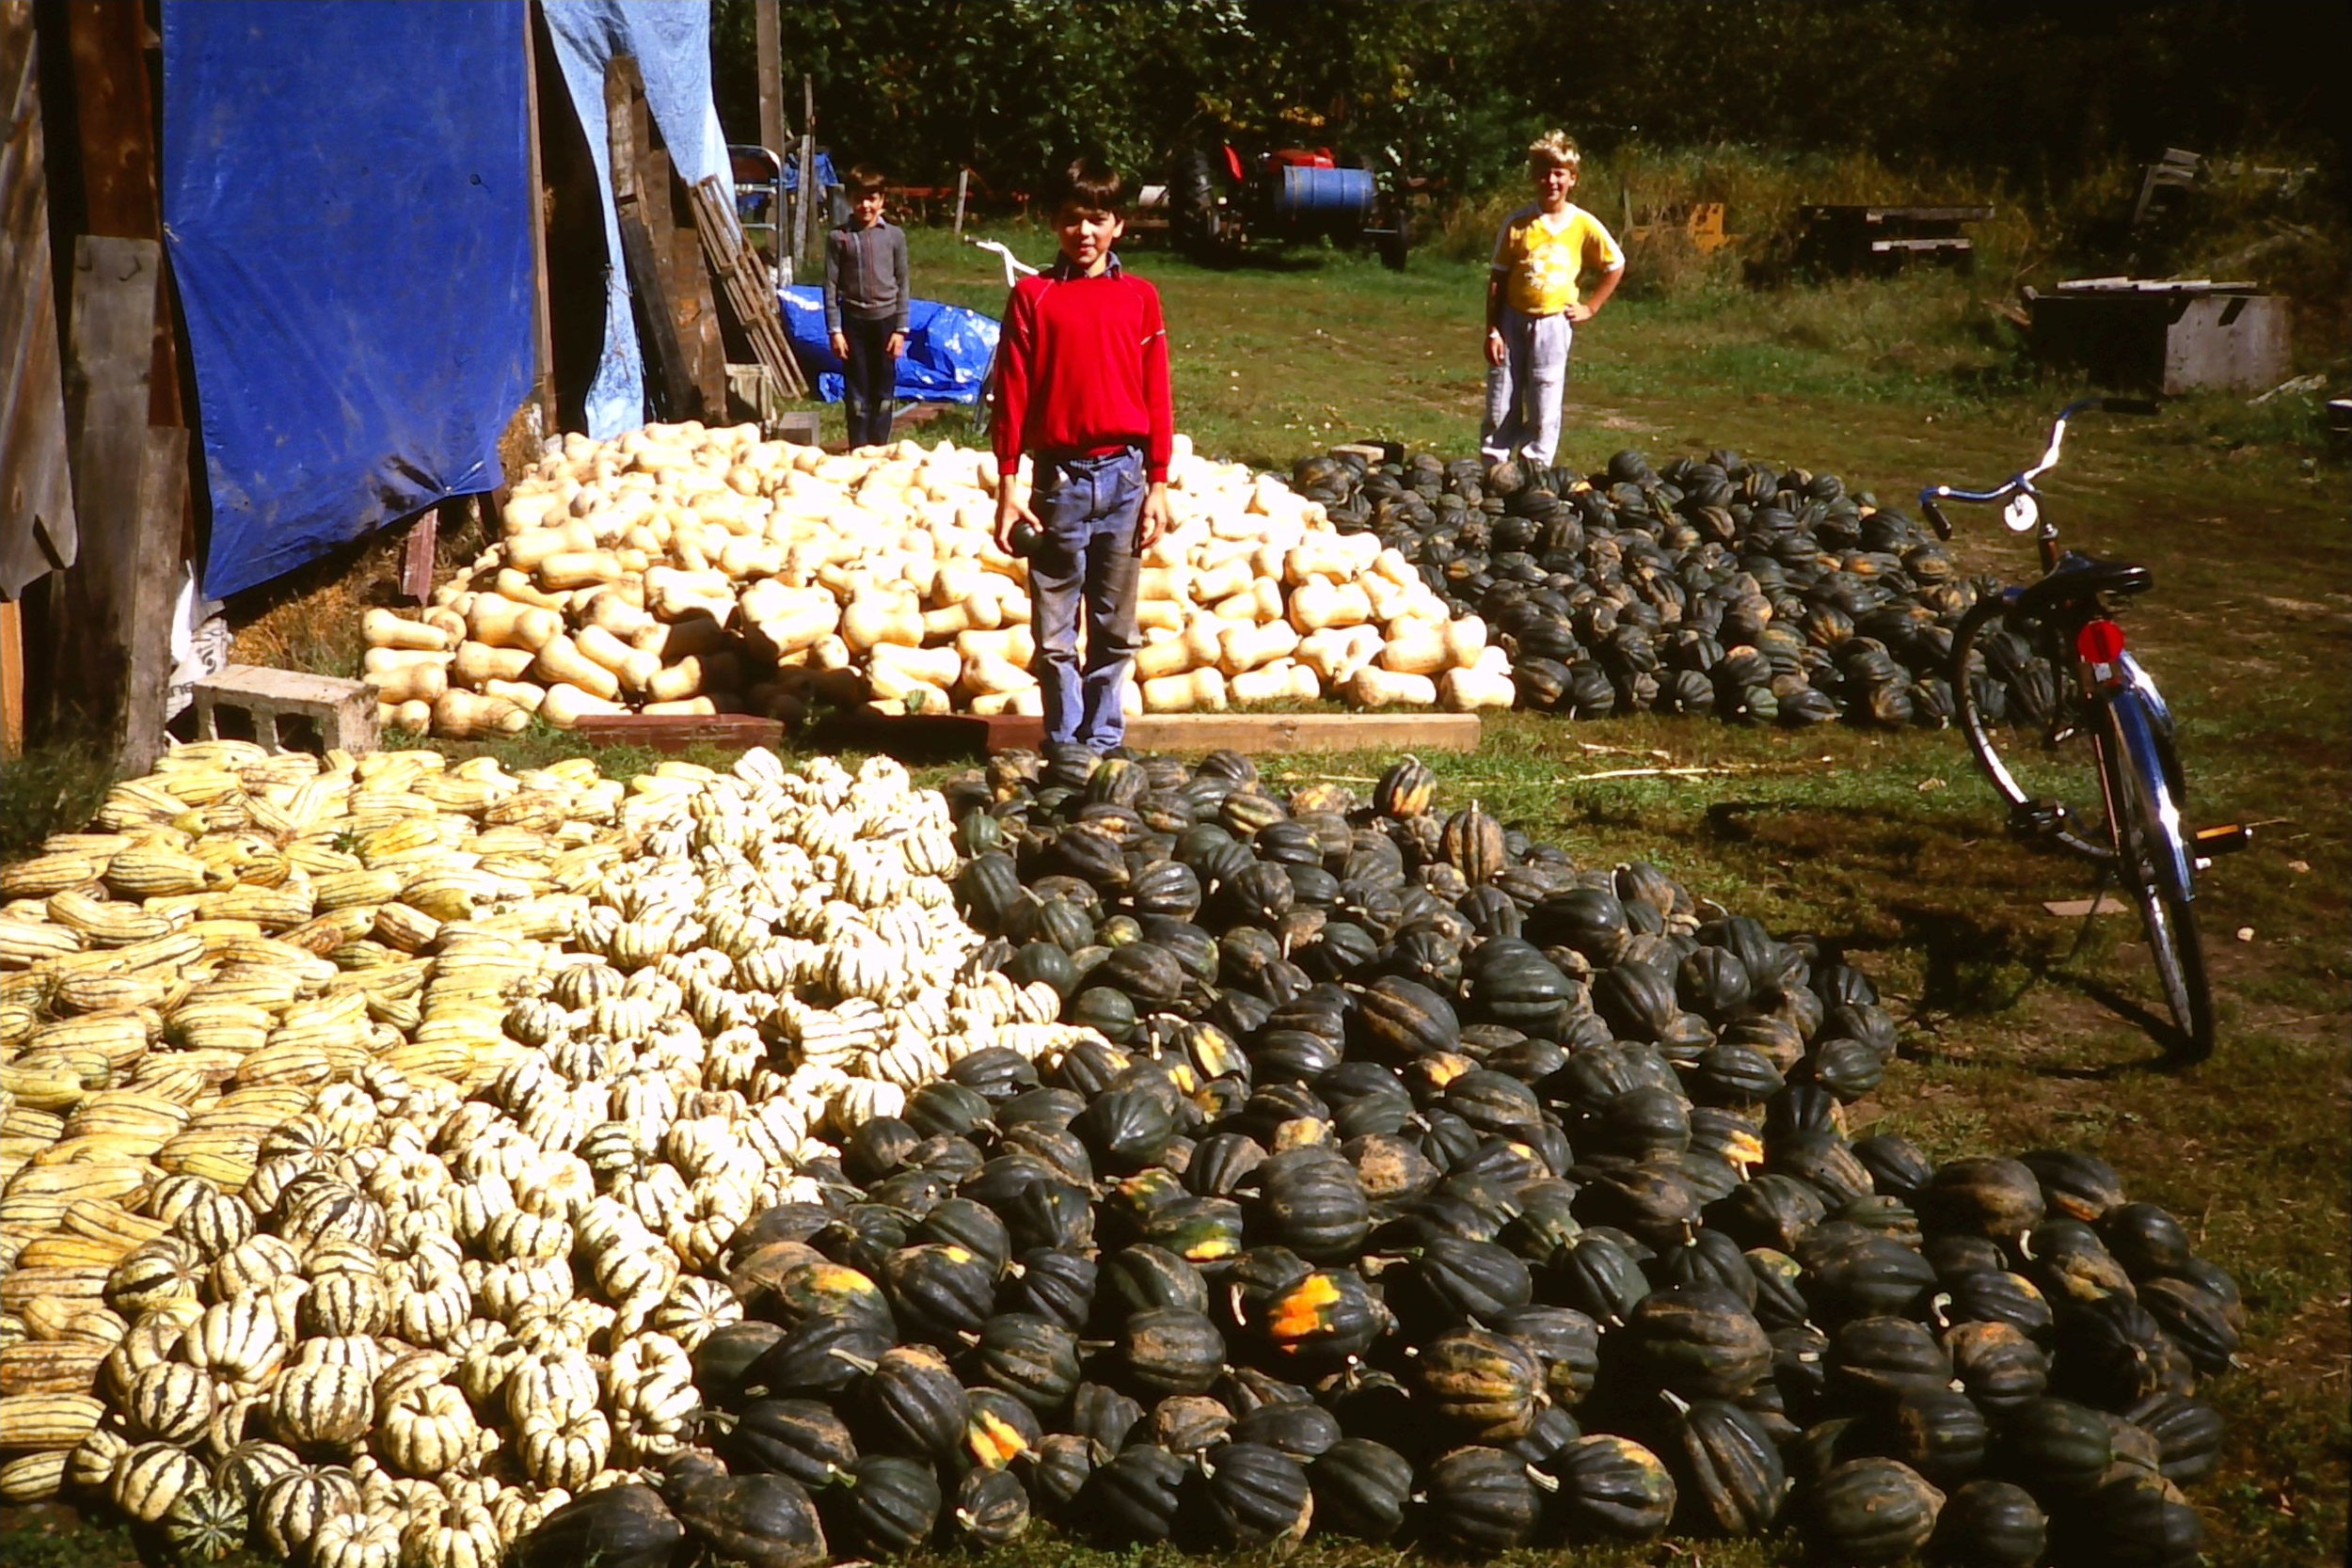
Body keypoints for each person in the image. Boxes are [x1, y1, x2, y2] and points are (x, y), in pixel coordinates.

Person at [992, 158, 1174, 755]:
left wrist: (1158, 482)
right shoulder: (1033, 297)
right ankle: (1065, 741)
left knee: (1115, 628)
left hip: (1124, 477)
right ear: (1055, 224)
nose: (1085, 233)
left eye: (1097, 219)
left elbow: (1157, 394)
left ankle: (1104, 737)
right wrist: (1008, 484)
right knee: (1053, 629)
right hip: (1058, 484)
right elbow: (1012, 396)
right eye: (1072, 220)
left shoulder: (1140, 300)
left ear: (1119, 225)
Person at [1480, 131, 1625, 468]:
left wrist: (1591, 306)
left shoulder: (1583, 224)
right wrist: (1493, 330)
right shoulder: (1518, 224)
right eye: (1544, 173)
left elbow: (1615, 265)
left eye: (1559, 173)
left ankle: (1535, 467)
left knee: (1545, 396)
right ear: (1534, 177)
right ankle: (1494, 468)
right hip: (1513, 321)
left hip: (1553, 324)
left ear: (1572, 179)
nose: (1551, 181)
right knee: (1502, 396)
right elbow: (1498, 279)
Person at [824, 165, 910, 449]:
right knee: (857, 390)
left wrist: (901, 330)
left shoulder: (894, 237)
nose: (865, 205)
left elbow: (903, 283)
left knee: (883, 390)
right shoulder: (839, 238)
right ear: (850, 200)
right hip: (854, 324)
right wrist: (835, 330)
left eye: (872, 198)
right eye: (859, 198)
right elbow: (830, 286)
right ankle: (858, 449)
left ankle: (880, 448)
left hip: (886, 323)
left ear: (882, 201)